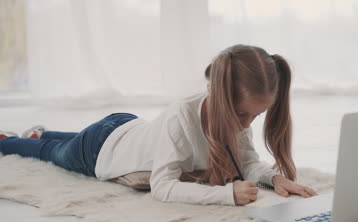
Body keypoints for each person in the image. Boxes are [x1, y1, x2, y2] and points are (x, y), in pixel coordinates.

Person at [0, 44, 317, 206]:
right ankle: (9, 139)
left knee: (64, 140)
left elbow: (247, 162)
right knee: (51, 151)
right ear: (220, 97)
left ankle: (41, 130)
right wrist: (225, 195)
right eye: (242, 115)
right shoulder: (182, 119)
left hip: (127, 127)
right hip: (100, 151)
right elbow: (162, 188)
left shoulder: (235, 115)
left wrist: (273, 178)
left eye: (255, 117)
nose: (246, 125)